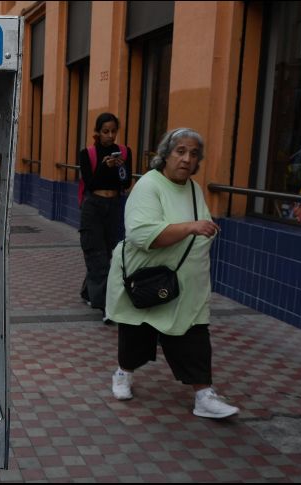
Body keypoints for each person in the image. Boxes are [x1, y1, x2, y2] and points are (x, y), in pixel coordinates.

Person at [105, 127, 239, 419]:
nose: (186, 159)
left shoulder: (193, 188)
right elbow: (142, 234)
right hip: (146, 278)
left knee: (193, 335)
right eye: (180, 151)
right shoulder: (148, 185)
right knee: (136, 332)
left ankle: (204, 396)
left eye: (193, 154)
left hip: (185, 286)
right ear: (164, 154)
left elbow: (203, 228)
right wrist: (191, 227)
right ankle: (123, 373)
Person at [78, 113, 133, 321]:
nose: (110, 136)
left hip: (116, 205)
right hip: (93, 206)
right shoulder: (87, 154)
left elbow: (126, 183)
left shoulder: (125, 153)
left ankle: (87, 291)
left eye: (113, 131)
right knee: (95, 252)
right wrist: (103, 166)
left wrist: (120, 166)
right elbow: (90, 184)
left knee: (111, 252)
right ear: (97, 132)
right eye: (105, 131)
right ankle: (105, 307)